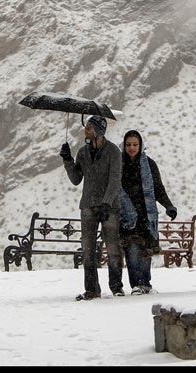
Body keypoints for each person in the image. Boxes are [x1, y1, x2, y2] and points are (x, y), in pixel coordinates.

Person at [60, 115, 124, 301]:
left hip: (109, 208)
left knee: (112, 248)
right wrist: (67, 160)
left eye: (89, 127)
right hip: (88, 206)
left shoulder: (113, 152)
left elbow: (114, 179)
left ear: (98, 130)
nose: (85, 130)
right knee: (87, 249)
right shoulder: (82, 152)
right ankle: (91, 289)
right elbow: (76, 179)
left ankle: (116, 287)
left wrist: (107, 202)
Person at [119, 130, 177, 295]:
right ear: (124, 145)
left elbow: (158, 188)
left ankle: (146, 283)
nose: (132, 148)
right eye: (128, 144)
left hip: (146, 214)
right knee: (132, 251)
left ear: (141, 145)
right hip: (127, 215)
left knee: (146, 251)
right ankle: (136, 284)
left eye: (135, 144)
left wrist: (168, 205)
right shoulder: (119, 164)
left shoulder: (149, 164)